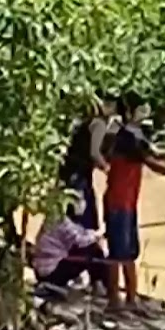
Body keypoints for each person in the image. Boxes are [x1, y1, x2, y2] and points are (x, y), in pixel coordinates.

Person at [104, 92, 165, 311]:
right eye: (138, 107)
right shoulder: (126, 138)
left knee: (129, 252)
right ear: (129, 112)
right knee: (117, 254)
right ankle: (115, 300)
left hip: (127, 202)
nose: (143, 111)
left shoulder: (134, 135)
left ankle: (130, 299)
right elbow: (154, 163)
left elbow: (157, 155)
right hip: (118, 202)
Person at [60, 92, 118, 229]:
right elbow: (94, 152)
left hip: (69, 168)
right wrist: (107, 169)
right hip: (79, 171)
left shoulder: (86, 121)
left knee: (73, 204)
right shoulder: (99, 124)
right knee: (82, 207)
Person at [33, 199, 108, 292]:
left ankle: (96, 283)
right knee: (93, 250)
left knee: (88, 249)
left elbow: (81, 232)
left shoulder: (55, 219)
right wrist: (98, 234)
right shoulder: (62, 222)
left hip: (43, 270)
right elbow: (80, 240)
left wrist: (94, 234)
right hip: (51, 272)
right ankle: (100, 284)